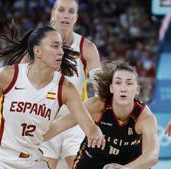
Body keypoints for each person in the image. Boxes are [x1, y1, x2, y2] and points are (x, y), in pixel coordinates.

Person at [0, 24, 105, 169]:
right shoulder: (8, 75)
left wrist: (94, 132)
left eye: (61, 46)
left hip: (31, 160)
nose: (61, 51)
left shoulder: (66, 89)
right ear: (37, 51)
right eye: (54, 46)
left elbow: (87, 123)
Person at [43, 62, 159, 169]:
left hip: (127, 164)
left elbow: (152, 156)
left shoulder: (144, 117)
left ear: (137, 90)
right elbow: (58, 126)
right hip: (92, 161)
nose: (123, 88)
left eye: (129, 83)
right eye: (118, 83)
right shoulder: (96, 106)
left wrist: (126, 168)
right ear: (111, 88)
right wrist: (29, 140)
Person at [34, 0, 101, 168]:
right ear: (53, 14)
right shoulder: (36, 46)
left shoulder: (87, 48)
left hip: (75, 122)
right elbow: (21, 82)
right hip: (43, 120)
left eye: (71, 11)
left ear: (76, 17)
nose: (66, 15)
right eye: (61, 10)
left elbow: (101, 91)